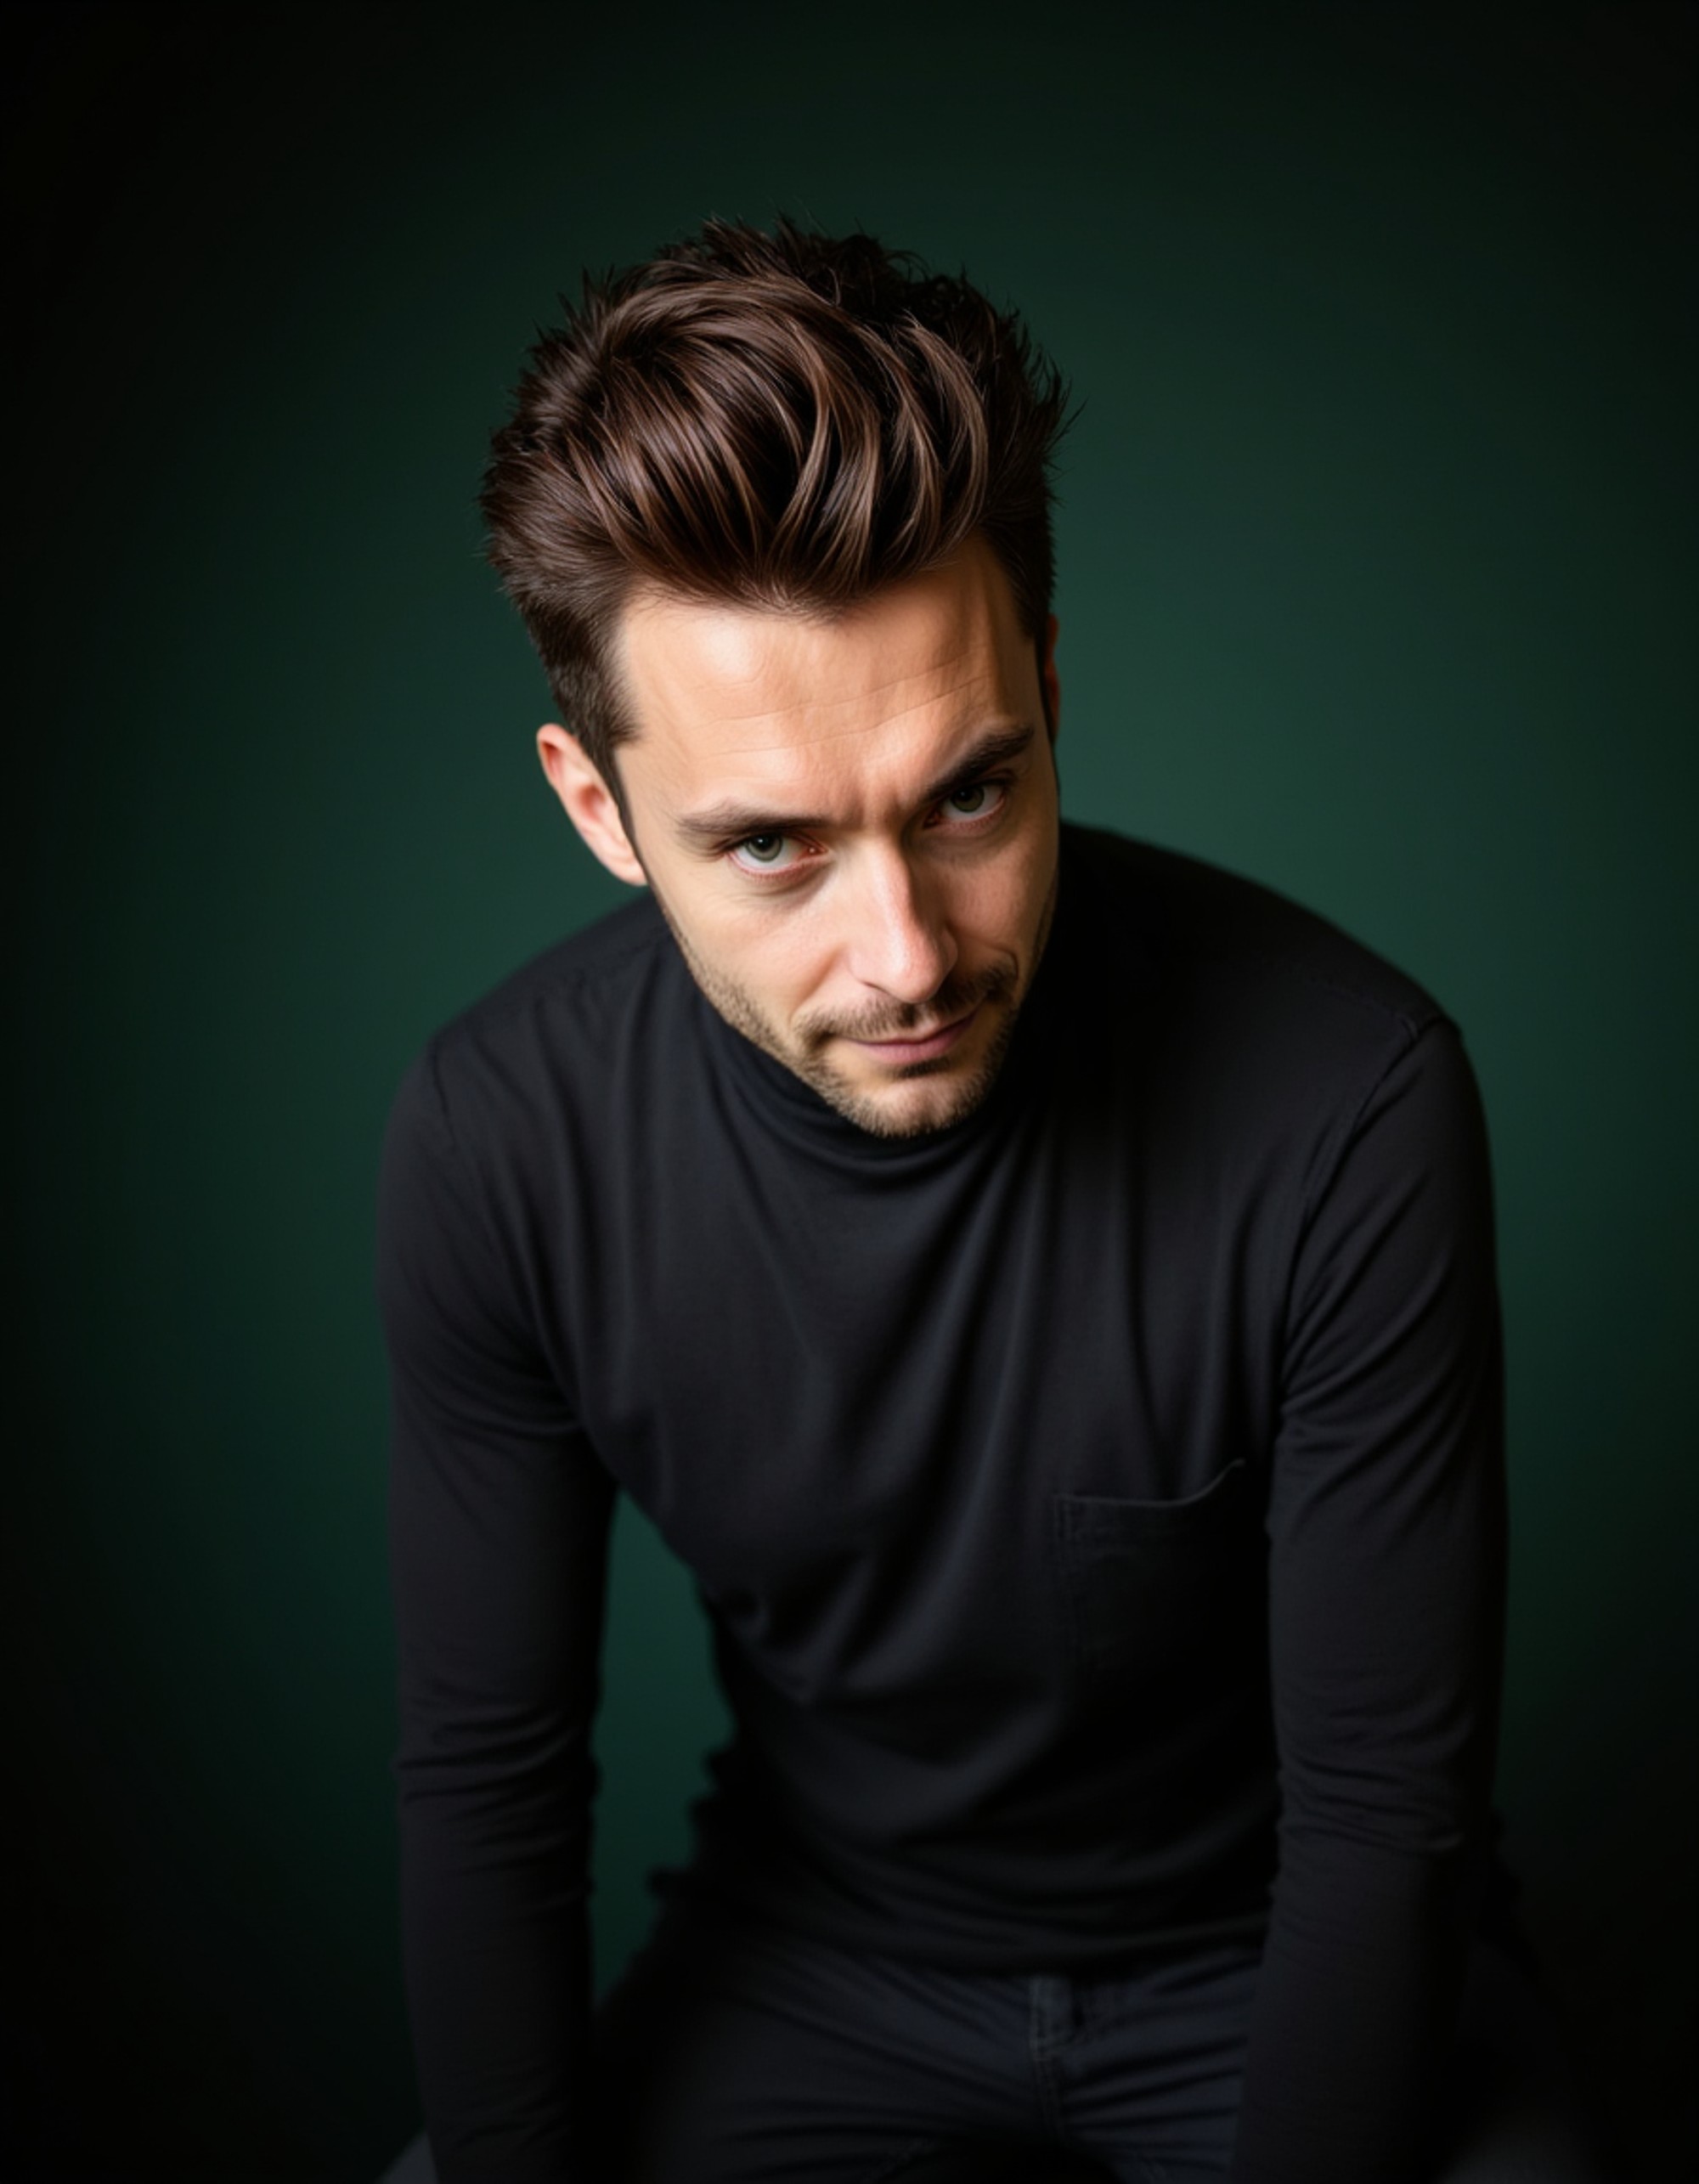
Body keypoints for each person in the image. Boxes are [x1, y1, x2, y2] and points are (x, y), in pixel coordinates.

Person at [377, 222, 1607, 2184]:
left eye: (965, 796)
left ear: (1041, 675)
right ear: (594, 806)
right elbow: (490, 1785)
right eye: (771, 845)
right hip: (811, 1967)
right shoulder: (500, 1133)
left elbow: (1386, 1822)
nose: (905, 955)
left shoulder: (1347, 1094)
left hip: (1281, 1958)